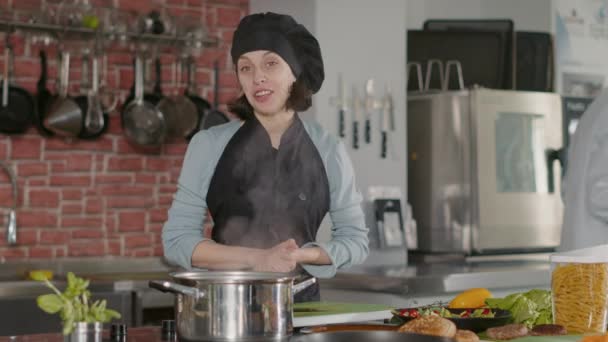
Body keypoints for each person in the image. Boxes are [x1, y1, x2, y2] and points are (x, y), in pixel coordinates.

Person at [162, 12, 369, 301]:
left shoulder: (329, 149)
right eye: (245, 68)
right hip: (227, 311)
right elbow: (177, 241)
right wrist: (257, 259)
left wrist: (301, 255)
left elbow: (355, 241)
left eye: (271, 63)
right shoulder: (207, 144)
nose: (257, 77)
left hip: (301, 312)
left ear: (295, 71)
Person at [560, 89, 608, 251]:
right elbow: (600, 196)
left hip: (583, 257)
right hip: (598, 263)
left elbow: (566, 189)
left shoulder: (600, 104)